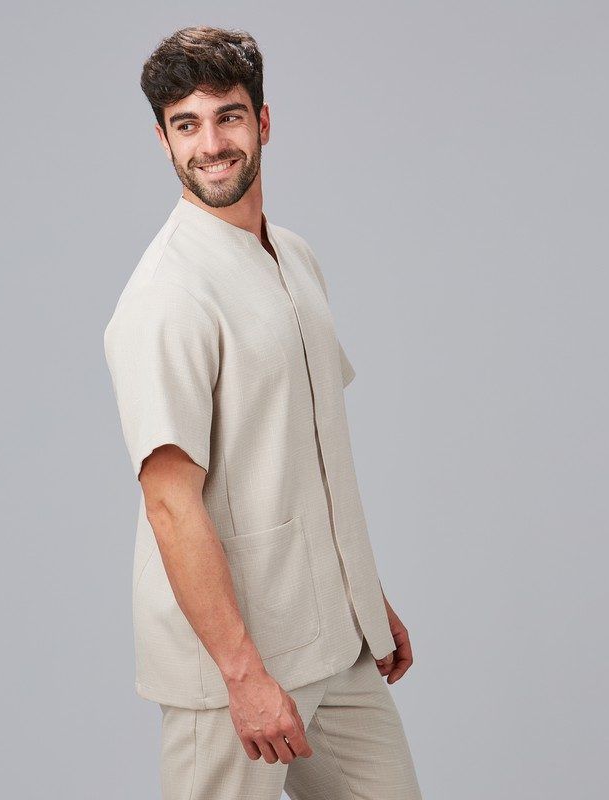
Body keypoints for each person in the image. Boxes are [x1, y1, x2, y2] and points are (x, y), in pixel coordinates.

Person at [103, 25, 423, 800]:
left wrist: (363, 594)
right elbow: (170, 502)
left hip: (332, 641)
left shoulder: (295, 257)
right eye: (187, 125)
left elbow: (304, 449)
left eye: (229, 117)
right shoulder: (167, 297)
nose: (211, 144)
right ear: (163, 140)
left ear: (264, 122)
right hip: (234, 665)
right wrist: (242, 673)